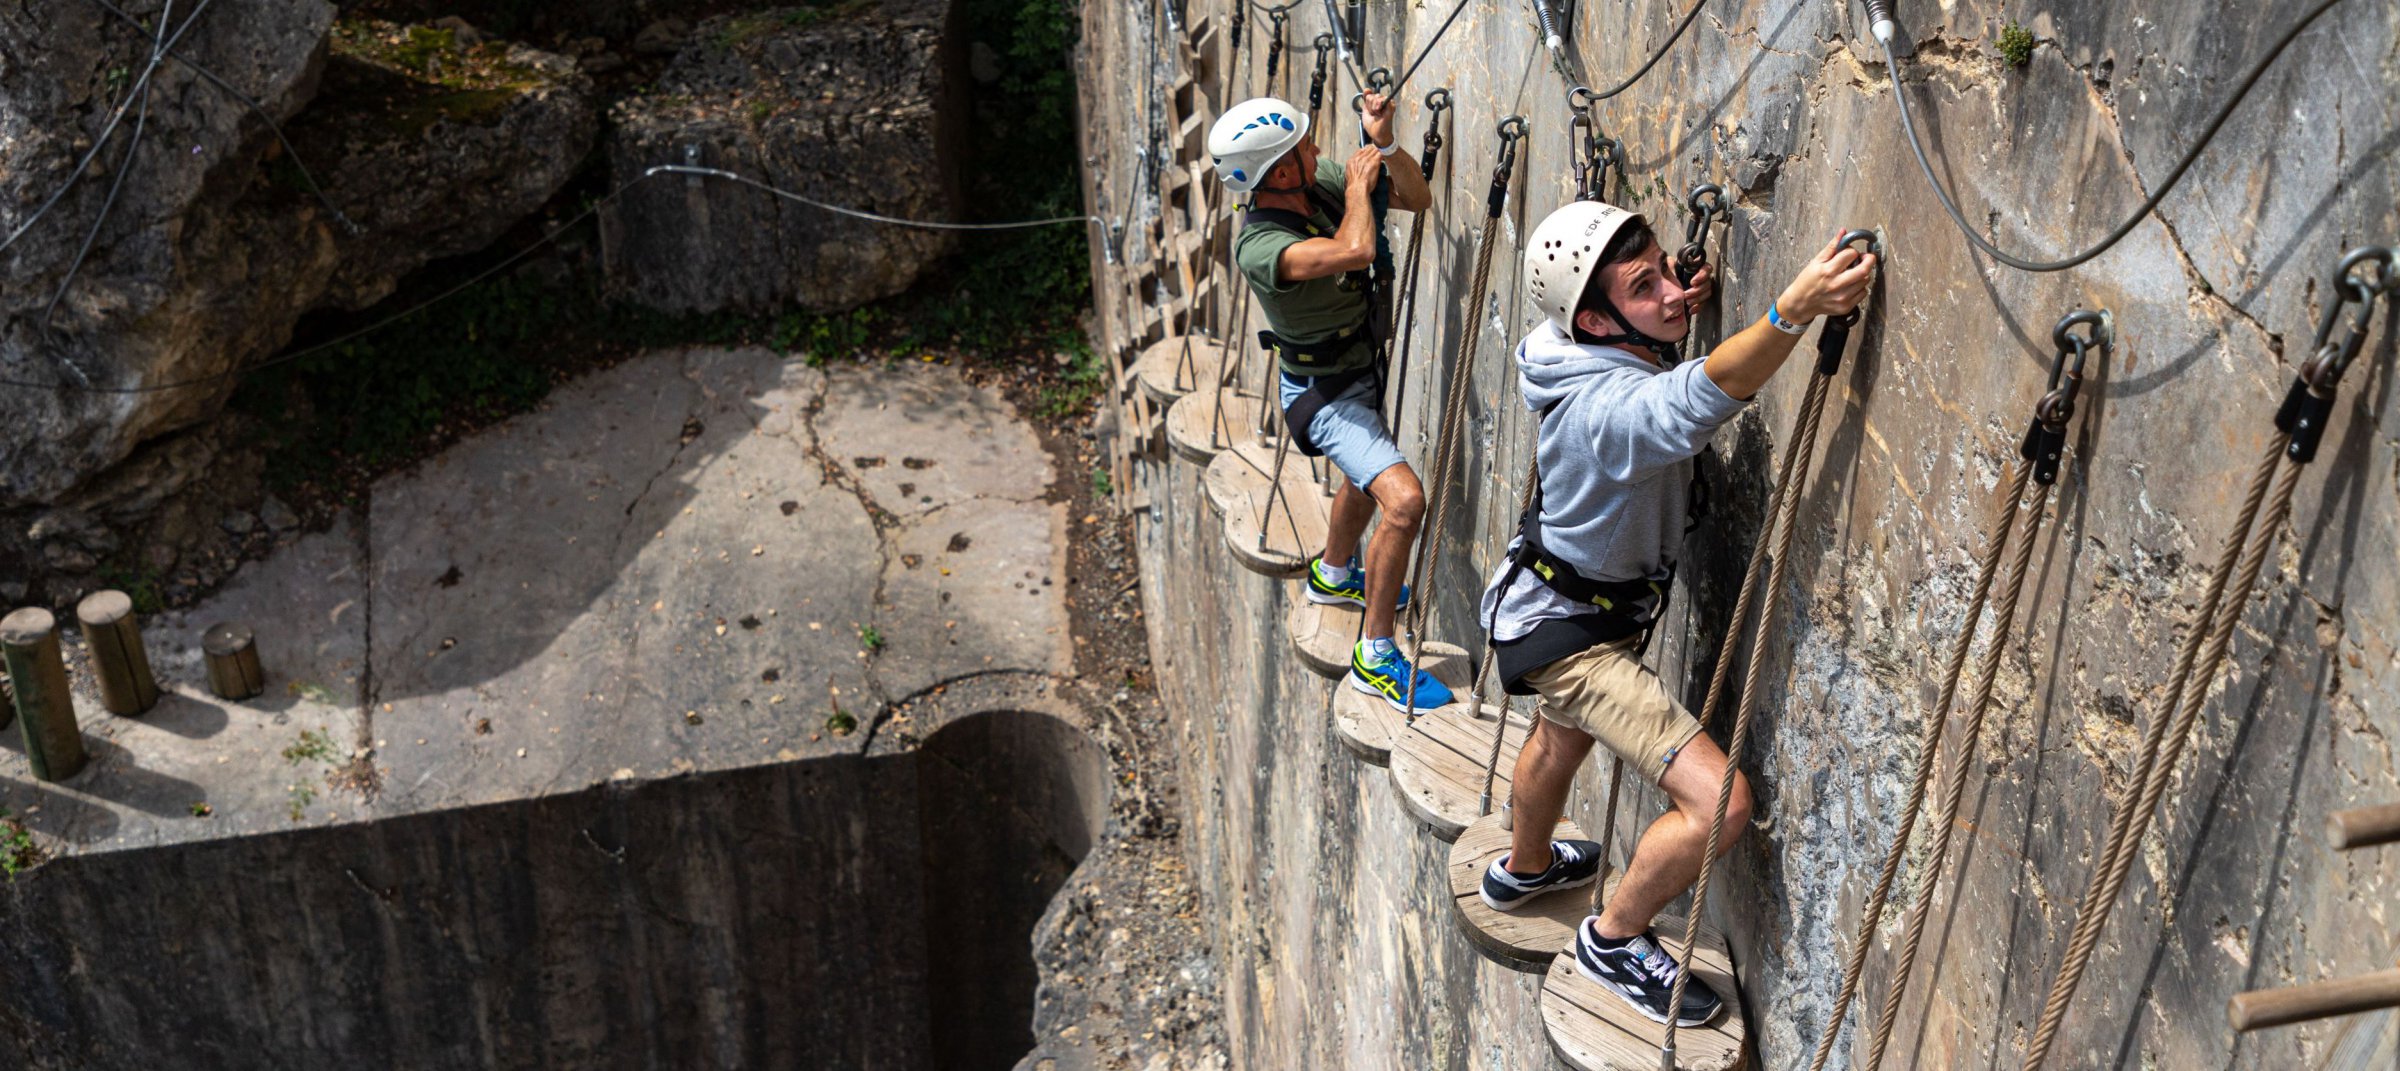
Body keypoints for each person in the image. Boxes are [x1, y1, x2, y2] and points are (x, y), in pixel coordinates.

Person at [1472, 200, 1875, 1027]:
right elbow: (1682, 406)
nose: (1669, 293)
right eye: (1642, 284)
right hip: (1576, 636)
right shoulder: (1603, 413)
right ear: (1593, 318)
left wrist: (1665, 306)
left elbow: (1653, 362)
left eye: (1664, 270)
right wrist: (1788, 311)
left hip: (1552, 611)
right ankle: (1614, 937)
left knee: (1560, 734)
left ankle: (1526, 867)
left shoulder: (1573, 349)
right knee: (1722, 803)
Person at [1204, 94, 1448, 712]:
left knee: (1363, 479)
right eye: (1303, 149)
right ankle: (1375, 655)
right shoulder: (1259, 247)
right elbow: (1355, 251)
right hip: (1322, 395)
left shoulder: (1319, 187)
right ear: (1280, 173)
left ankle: (1334, 574)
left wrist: (1386, 145)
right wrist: (1363, 190)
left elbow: (1417, 200)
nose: (1319, 151)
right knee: (1405, 500)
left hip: (1359, 366)